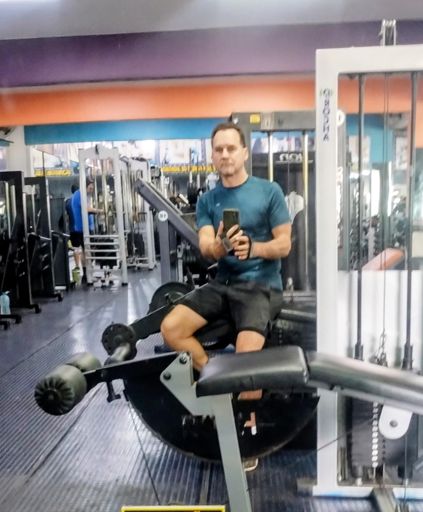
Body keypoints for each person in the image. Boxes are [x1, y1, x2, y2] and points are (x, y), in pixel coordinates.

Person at [160, 121, 292, 388]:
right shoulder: (208, 200)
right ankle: (217, 378)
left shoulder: (270, 192)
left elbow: (284, 245)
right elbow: (206, 245)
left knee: (246, 365)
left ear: (244, 152)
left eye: (231, 148)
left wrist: (254, 248)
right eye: (219, 149)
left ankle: (246, 408)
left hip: (260, 286)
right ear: (212, 156)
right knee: (171, 328)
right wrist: (219, 248)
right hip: (223, 284)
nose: (225, 154)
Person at [70, 177, 102, 282]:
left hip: (85, 228)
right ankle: (87, 274)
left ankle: (87, 273)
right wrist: (99, 211)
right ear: (85, 186)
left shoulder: (83, 195)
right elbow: (87, 209)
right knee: (86, 252)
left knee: (86, 251)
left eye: (92, 188)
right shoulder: (80, 195)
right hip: (83, 229)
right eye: (90, 188)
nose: (91, 190)